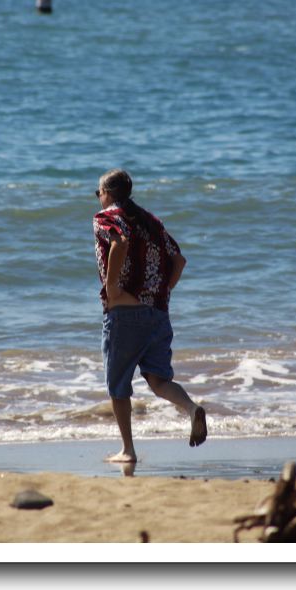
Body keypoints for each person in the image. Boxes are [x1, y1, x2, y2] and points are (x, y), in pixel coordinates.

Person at [92, 168, 207, 463]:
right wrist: (163, 291)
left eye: (98, 193)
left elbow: (119, 243)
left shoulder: (106, 217)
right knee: (158, 381)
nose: (98, 199)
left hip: (125, 314)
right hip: (157, 313)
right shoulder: (150, 221)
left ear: (107, 193)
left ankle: (128, 450)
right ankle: (192, 409)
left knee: (119, 386)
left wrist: (112, 287)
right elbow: (179, 260)